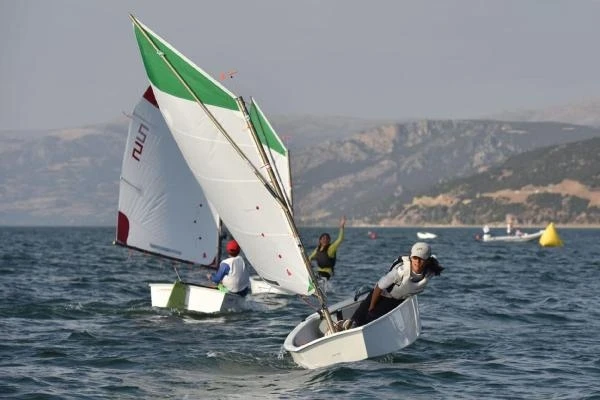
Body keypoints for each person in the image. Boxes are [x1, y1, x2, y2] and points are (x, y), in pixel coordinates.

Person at [340, 242, 443, 330]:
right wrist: (372, 306)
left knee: (371, 319)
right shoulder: (400, 272)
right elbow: (379, 287)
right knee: (359, 318)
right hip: (380, 294)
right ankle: (345, 326)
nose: (417, 261)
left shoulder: (430, 271)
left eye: (421, 259)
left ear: (427, 260)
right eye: (415, 258)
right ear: (411, 257)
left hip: (396, 301)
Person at [308, 215, 346, 280]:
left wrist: (341, 226)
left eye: (327, 239)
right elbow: (309, 258)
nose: (325, 240)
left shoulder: (331, 248)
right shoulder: (318, 249)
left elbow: (340, 239)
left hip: (327, 273)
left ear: (329, 240)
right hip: (319, 271)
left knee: (318, 277)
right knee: (312, 276)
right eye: (323, 239)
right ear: (320, 240)